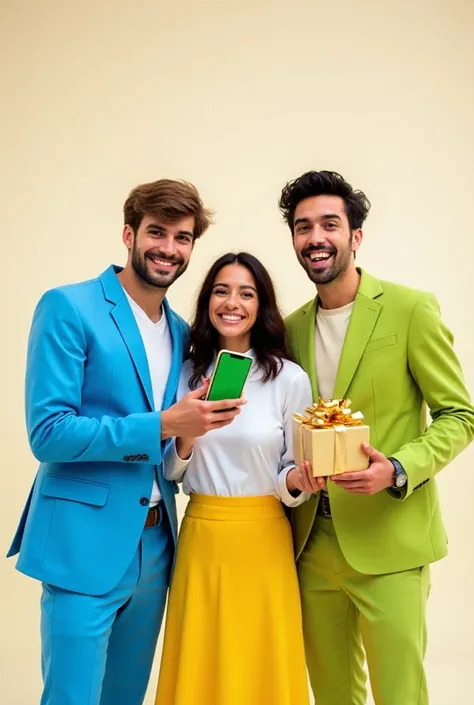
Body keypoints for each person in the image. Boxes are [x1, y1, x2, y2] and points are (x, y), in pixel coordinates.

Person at [7, 179, 245, 705]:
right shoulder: (68, 307)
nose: (168, 248)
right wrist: (163, 423)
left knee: (125, 697)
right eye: (156, 233)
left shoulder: (184, 331)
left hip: (158, 547)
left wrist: (189, 433)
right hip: (82, 541)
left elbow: (170, 446)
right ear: (128, 234)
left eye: (182, 238)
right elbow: (49, 434)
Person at [279, 170, 474, 705]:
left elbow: (460, 415)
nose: (315, 237)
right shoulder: (289, 328)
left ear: (355, 236)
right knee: (333, 696)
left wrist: (399, 467)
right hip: (311, 544)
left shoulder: (411, 309)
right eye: (302, 227)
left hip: (390, 540)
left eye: (329, 224)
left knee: (399, 696)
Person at [154, 252, 313, 705]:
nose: (232, 302)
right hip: (203, 535)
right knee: (201, 663)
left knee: (262, 660)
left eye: (247, 293)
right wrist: (189, 433)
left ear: (261, 305)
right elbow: (170, 470)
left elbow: (289, 472)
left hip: (265, 538)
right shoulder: (184, 373)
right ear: (207, 301)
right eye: (221, 291)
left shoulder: (288, 379)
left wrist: (299, 482)